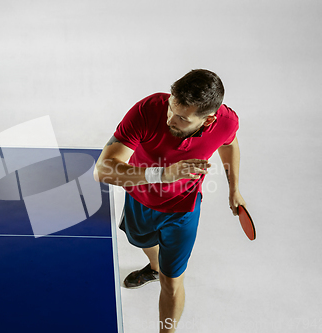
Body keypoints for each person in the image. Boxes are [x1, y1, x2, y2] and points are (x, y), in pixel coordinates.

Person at [93, 69, 246, 332]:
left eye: (182, 118)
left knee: (172, 283)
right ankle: (154, 267)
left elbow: (229, 144)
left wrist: (234, 189)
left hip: (182, 211)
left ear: (208, 120)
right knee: (139, 240)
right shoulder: (148, 110)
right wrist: (162, 174)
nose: (170, 119)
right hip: (139, 198)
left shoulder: (226, 122)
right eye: (171, 108)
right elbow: (102, 170)